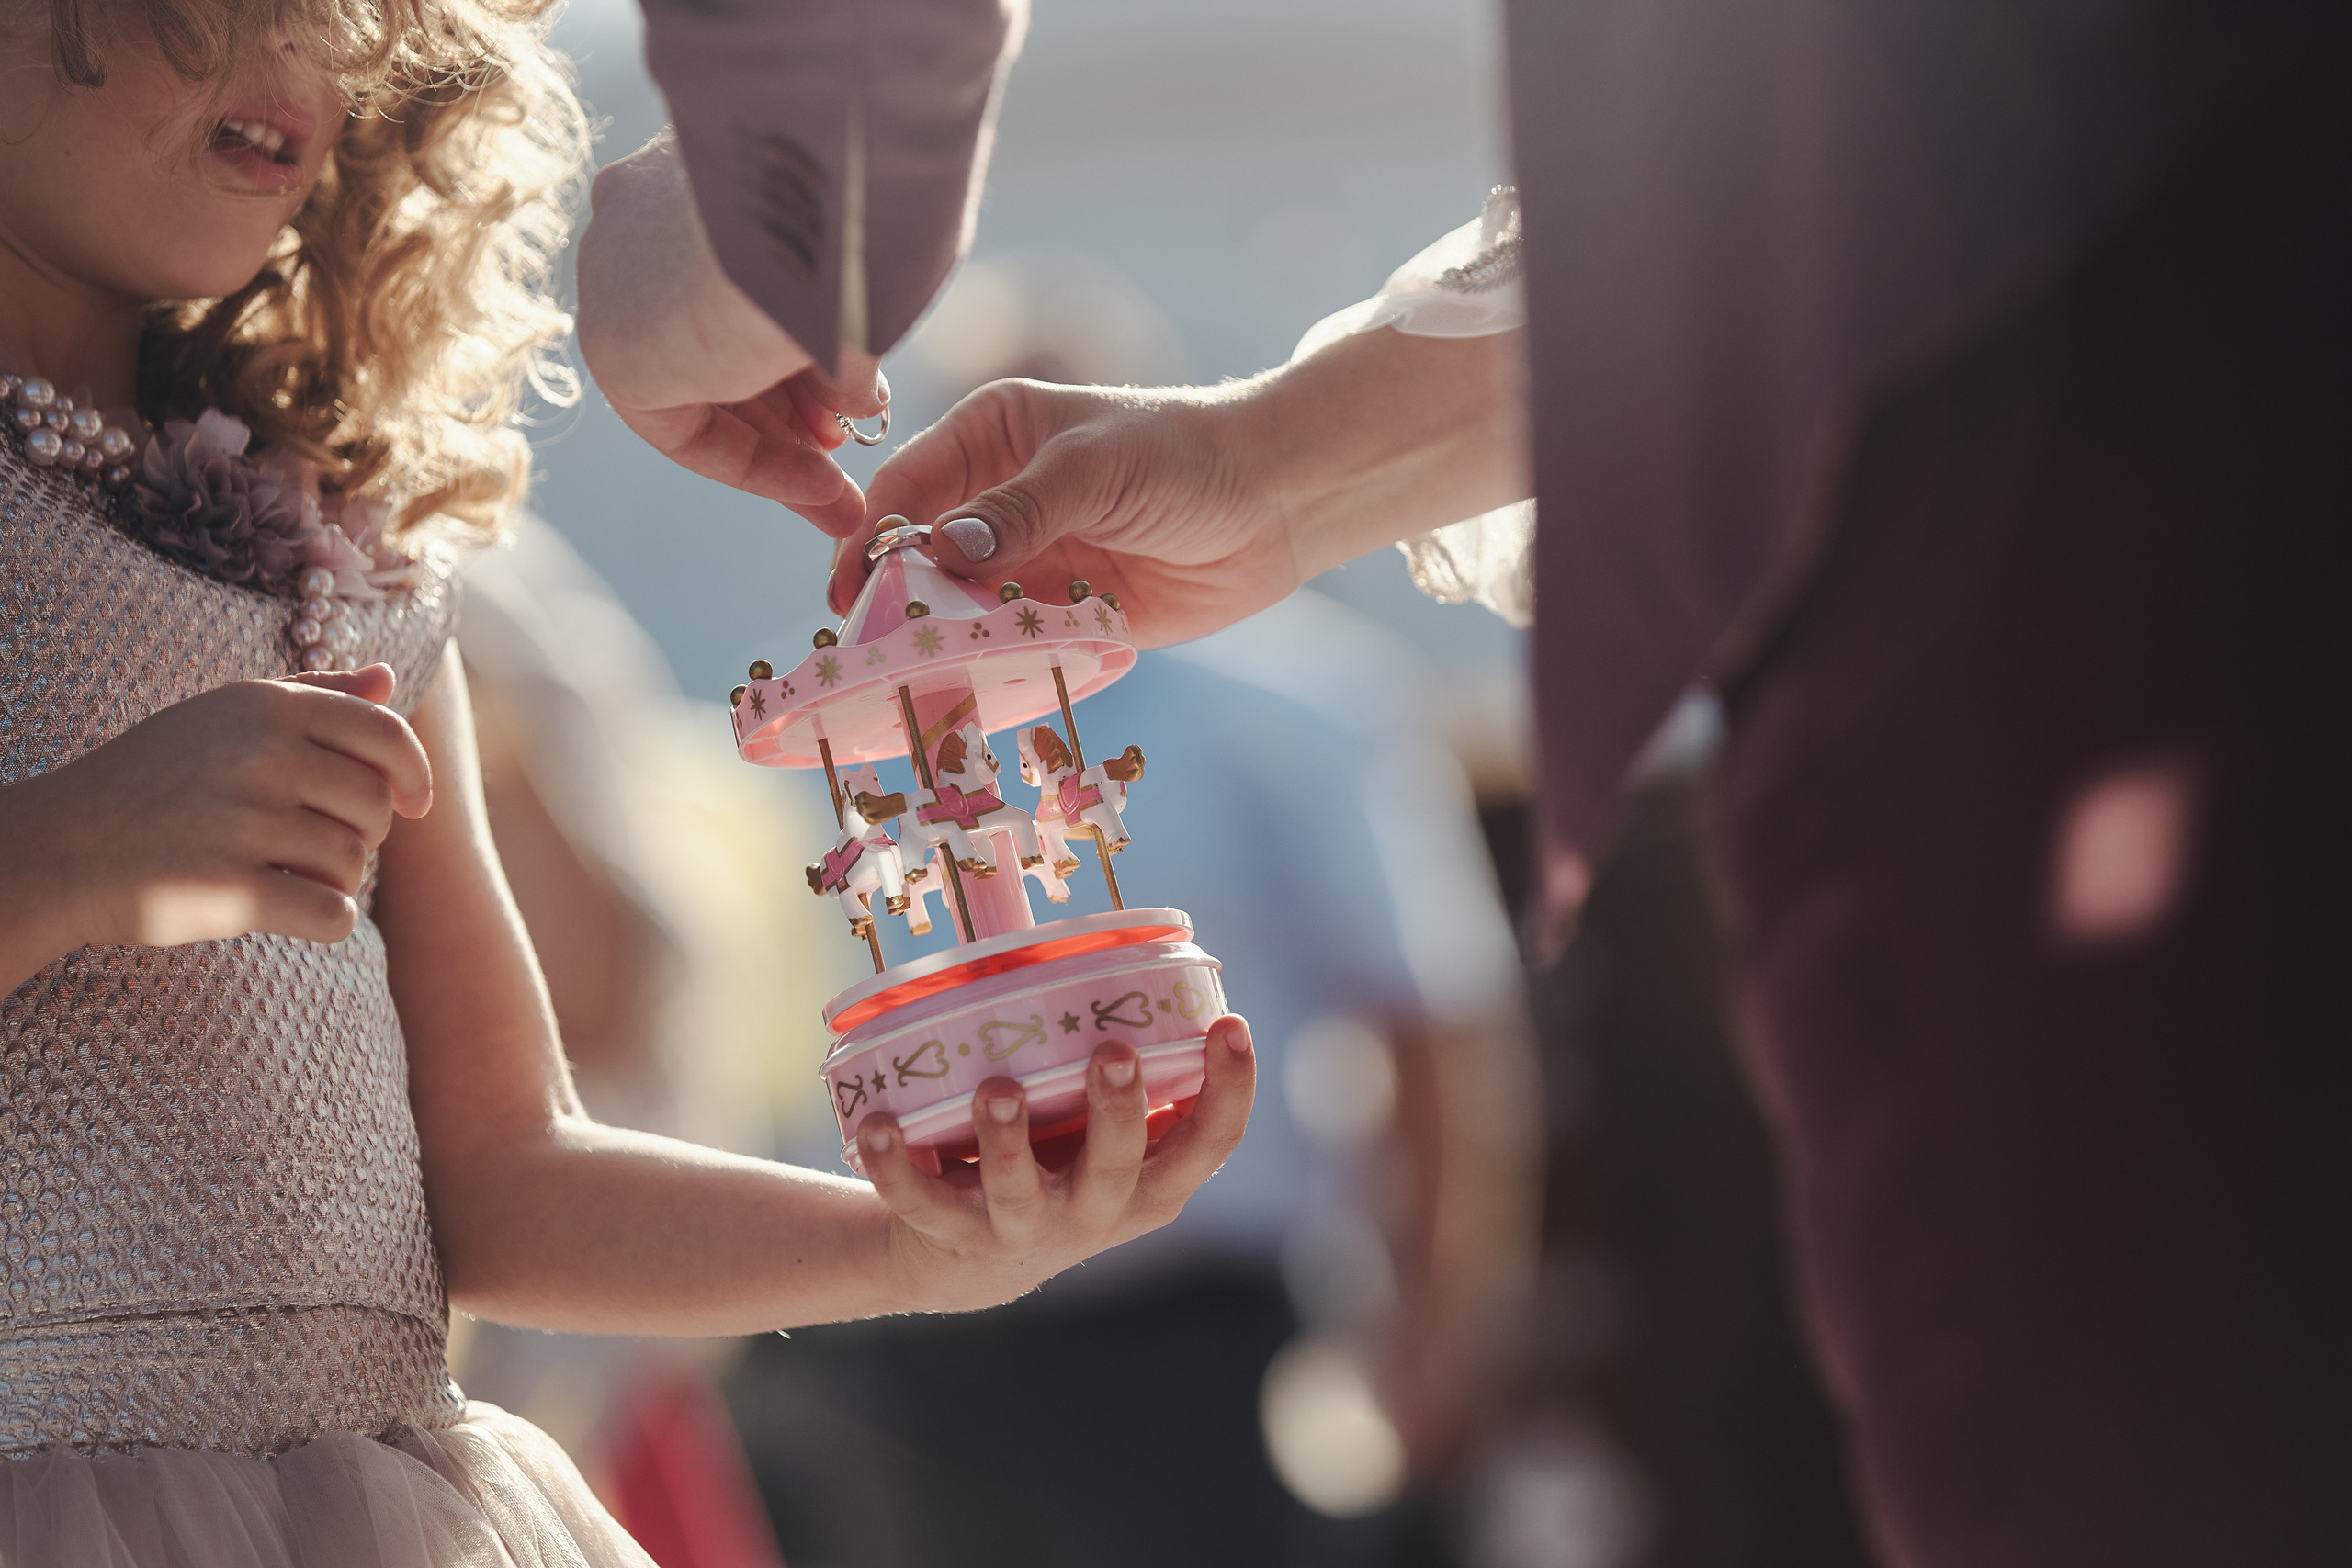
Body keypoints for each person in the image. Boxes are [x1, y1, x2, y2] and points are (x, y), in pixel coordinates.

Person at [575, 3, 2349, 1562]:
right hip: (933, 1336)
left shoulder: (1301, 709)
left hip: (1194, 1322)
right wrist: (1274, 471)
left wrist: (768, 178)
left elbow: (1435, 1021)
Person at [0, 3, 1250, 1561]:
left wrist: (919, 1251)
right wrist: (57, 858)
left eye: (364, 14)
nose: (302, 55)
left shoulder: (349, 548)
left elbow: (502, 1172)